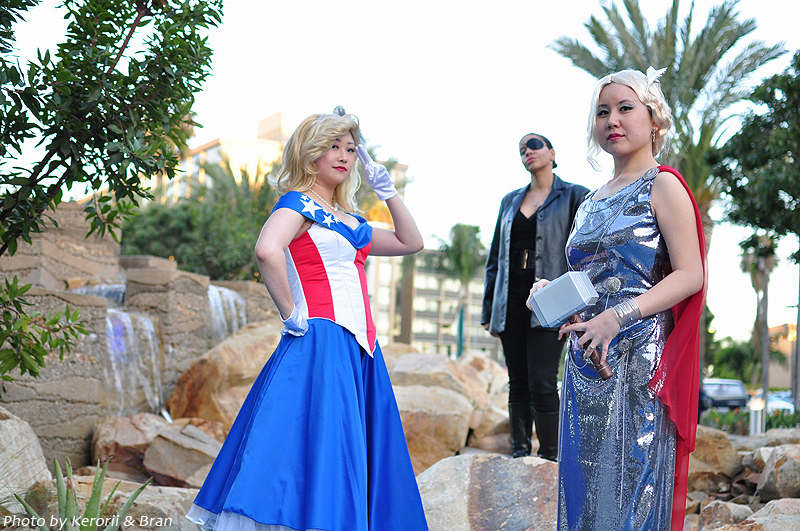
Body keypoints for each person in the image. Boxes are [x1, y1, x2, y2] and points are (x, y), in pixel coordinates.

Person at [185, 112, 428, 531]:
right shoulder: (298, 203)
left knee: (345, 449)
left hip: (361, 349)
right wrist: (291, 311)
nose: (344, 156)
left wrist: (388, 193)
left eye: (350, 148)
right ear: (309, 151)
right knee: (315, 448)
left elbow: (412, 241)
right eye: (333, 146)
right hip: (321, 341)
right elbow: (267, 249)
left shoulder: (351, 220)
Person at [529, 68, 707, 531]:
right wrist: (553, 293)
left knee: (632, 490)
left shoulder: (663, 184)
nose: (612, 120)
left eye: (625, 108)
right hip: (586, 361)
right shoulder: (589, 201)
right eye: (602, 111)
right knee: (584, 492)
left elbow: (690, 275)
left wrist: (618, 316)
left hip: (638, 358)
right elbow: (592, 278)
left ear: (654, 119)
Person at [481, 133, 588, 460]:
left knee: (542, 381)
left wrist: (578, 304)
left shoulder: (575, 195)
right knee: (517, 382)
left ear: (552, 152)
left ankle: (550, 459)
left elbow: (585, 252)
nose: (527, 151)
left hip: (552, 302)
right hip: (511, 300)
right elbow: (495, 257)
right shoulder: (510, 200)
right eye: (522, 149)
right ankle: (519, 454)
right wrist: (489, 310)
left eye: (535, 145)